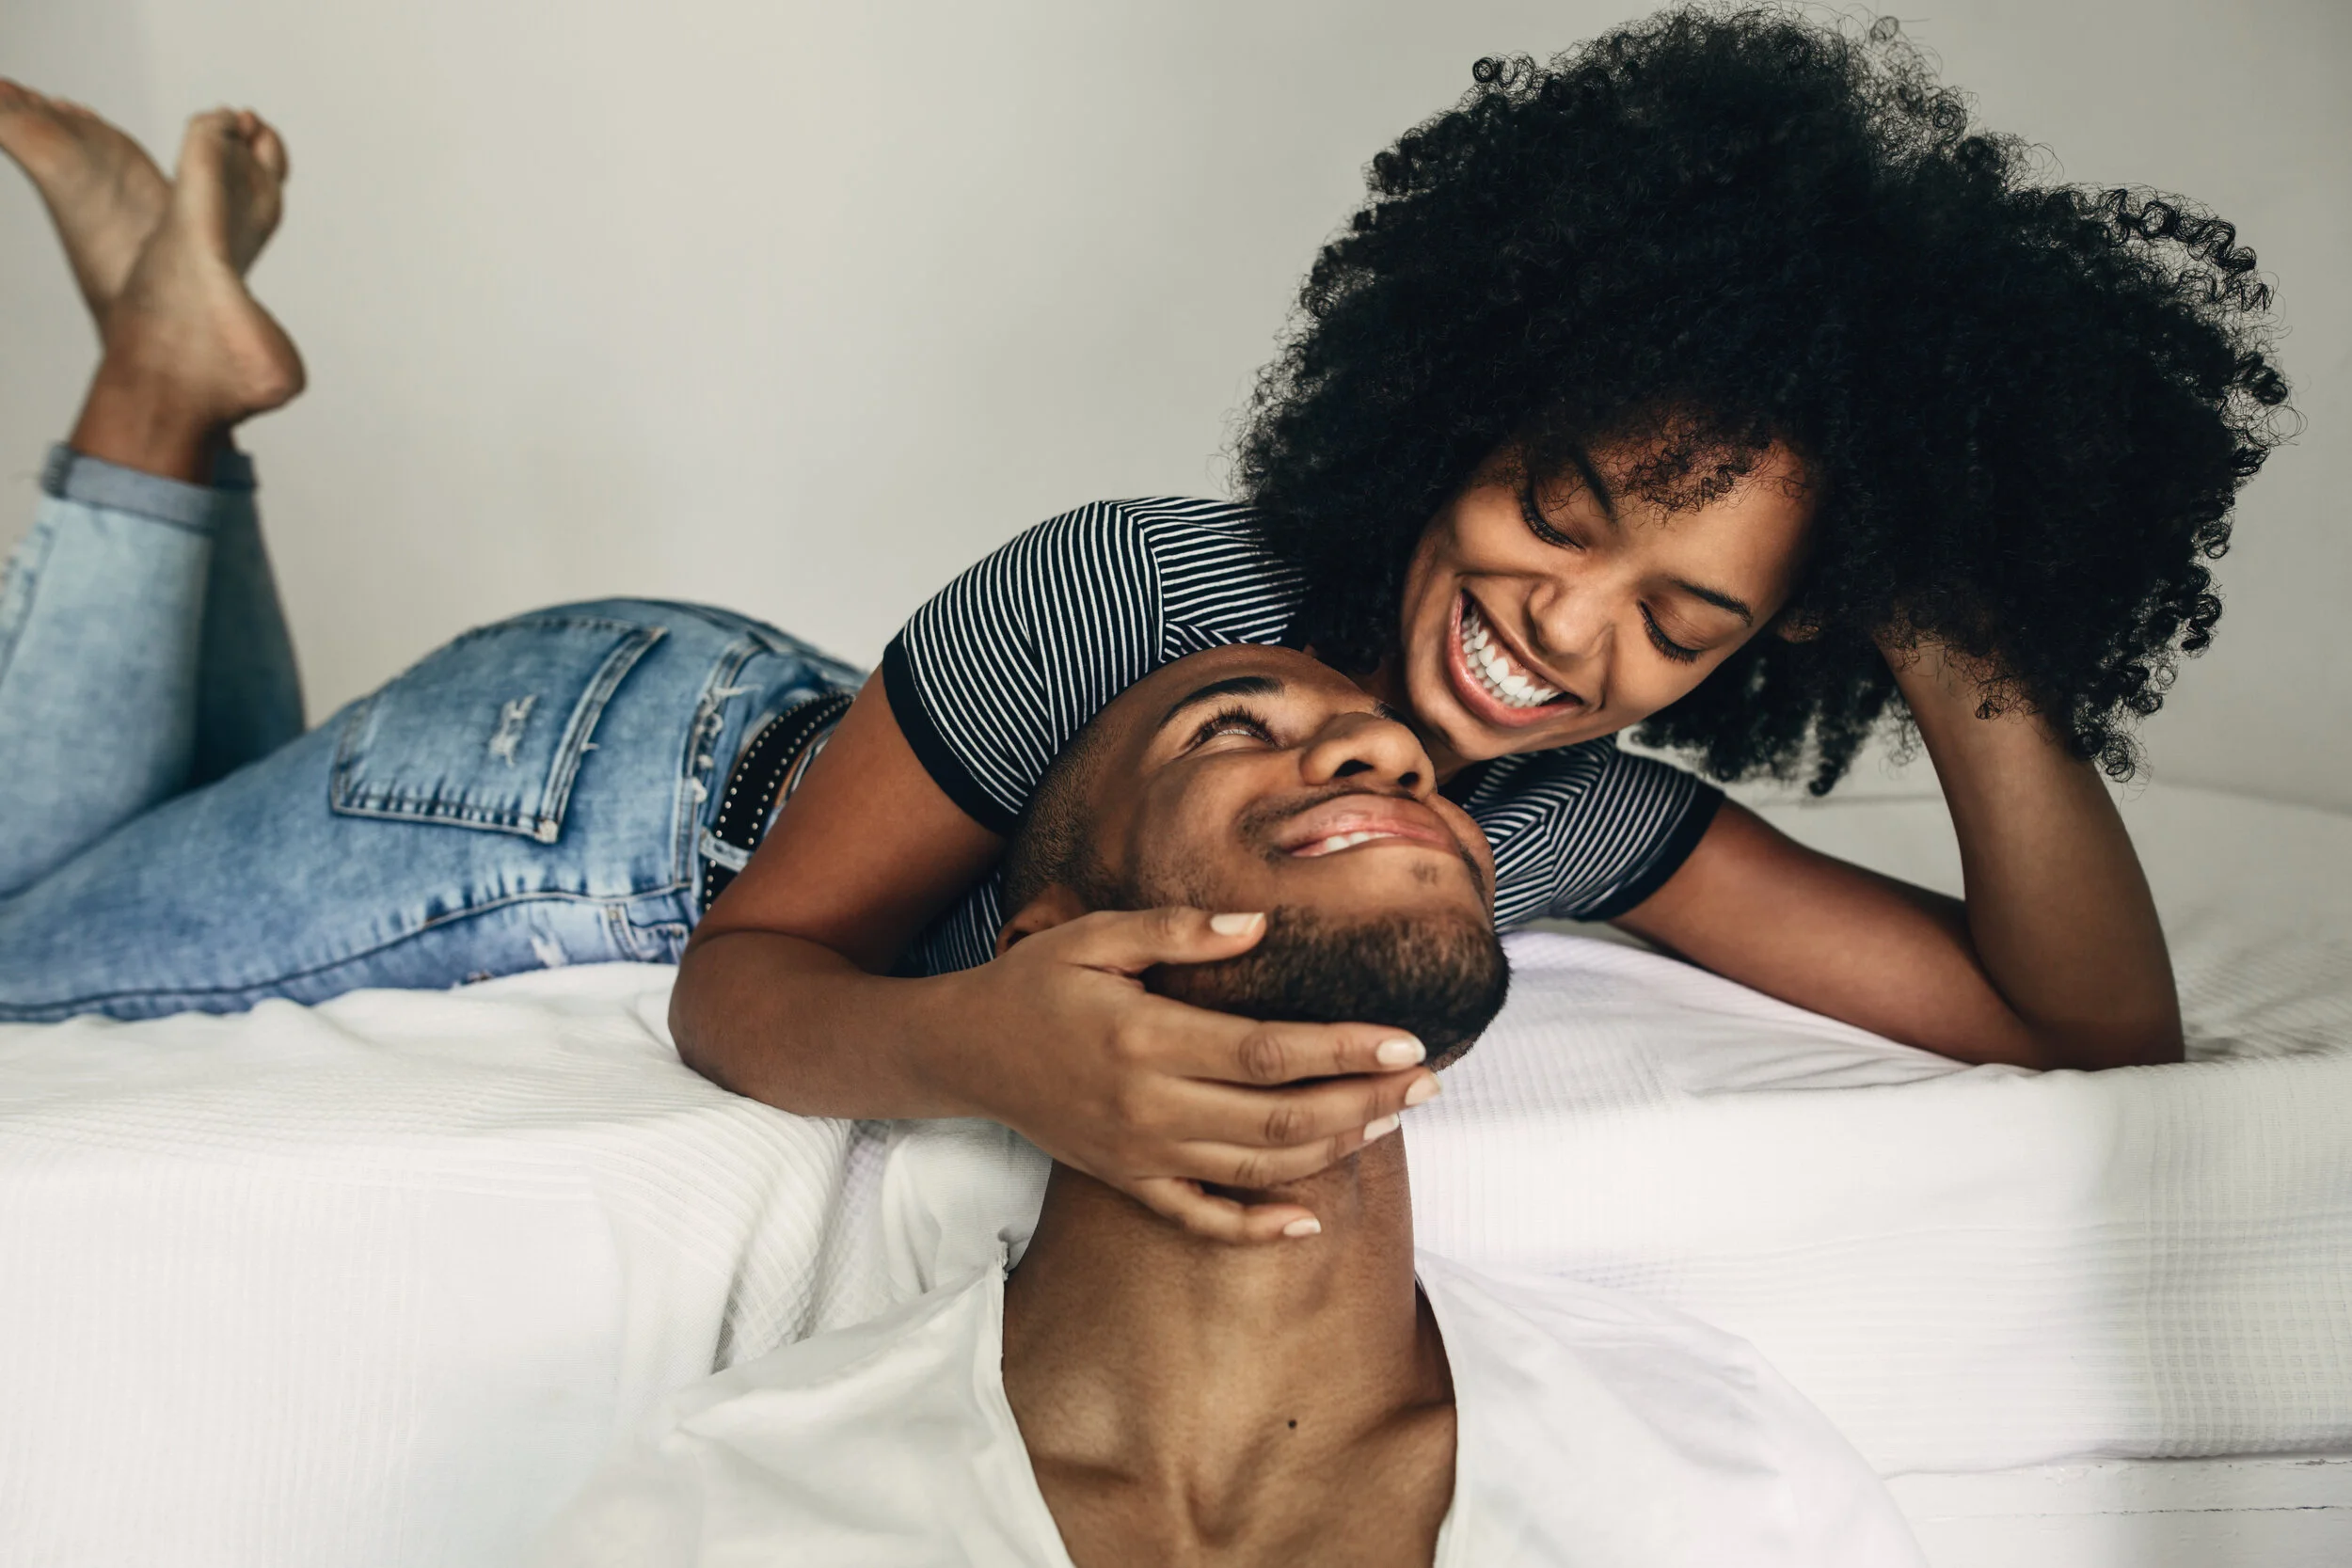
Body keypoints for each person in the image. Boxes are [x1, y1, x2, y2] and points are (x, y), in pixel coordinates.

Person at [0, 7, 2290, 1242]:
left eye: (1681, 617)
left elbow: (2079, 1030)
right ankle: (154, 395)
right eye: (1551, 508)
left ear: (1765, 652)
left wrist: (1953, 631)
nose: (1558, 623)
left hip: (687, 721)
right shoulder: (1151, 584)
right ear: (1460, 412)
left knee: (178, 823)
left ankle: (174, 388)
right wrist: (981, 1048)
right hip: (593, 795)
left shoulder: (1581, 818)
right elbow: (749, 971)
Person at [532, 641, 1929, 1568]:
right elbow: (747, 974)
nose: (1388, 760)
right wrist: (960, 1038)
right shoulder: (727, 1506)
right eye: (1231, 731)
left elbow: (2042, 1006)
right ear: (1049, 942)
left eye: (1416, 771)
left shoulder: (1725, 1476)